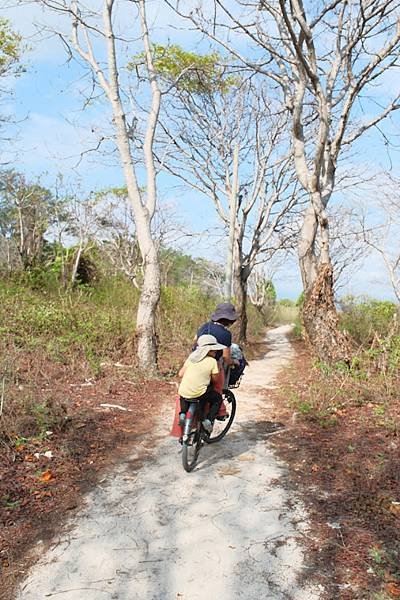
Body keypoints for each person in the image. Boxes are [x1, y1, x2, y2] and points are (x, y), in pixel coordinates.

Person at [178, 334, 226, 432]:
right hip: (199, 394)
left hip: (183, 392)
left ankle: (182, 414)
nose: (216, 351)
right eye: (214, 350)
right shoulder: (212, 361)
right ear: (209, 350)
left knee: (186, 395)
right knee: (217, 399)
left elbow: (180, 374)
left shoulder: (191, 358)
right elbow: (216, 380)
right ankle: (208, 420)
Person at [195, 302, 240, 386]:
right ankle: (220, 390)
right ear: (230, 320)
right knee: (223, 364)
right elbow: (226, 358)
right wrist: (235, 362)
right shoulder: (226, 334)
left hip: (196, 360)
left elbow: (195, 340)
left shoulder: (205, 326)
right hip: (212, 364)